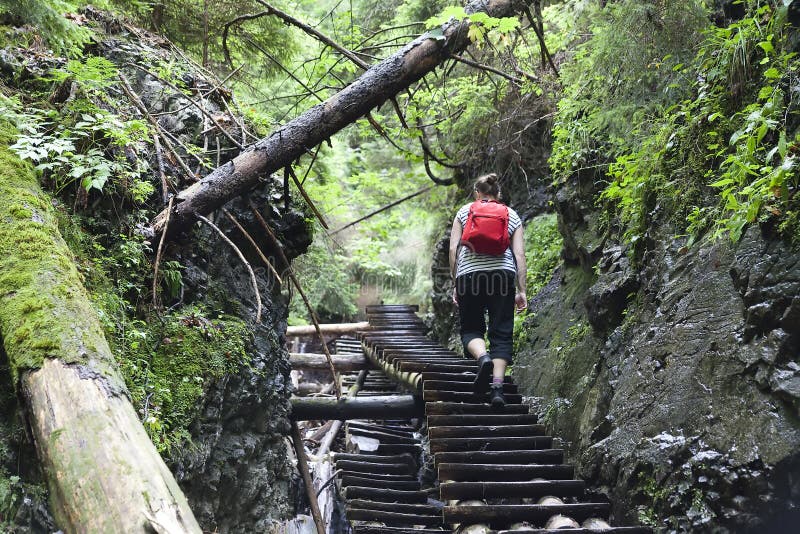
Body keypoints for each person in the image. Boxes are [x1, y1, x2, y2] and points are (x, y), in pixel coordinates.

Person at [449, 173, 527, 409]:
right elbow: (519, 255)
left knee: (471, 329)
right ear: (498, 194)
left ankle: (483, 358)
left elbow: (453, 250)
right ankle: (497, 388)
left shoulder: (464, 212)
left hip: (469, 276)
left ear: (477, 193)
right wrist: (521, 289)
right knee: (501, 333)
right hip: (502, 276)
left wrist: (456, 281)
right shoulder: (511, 215)